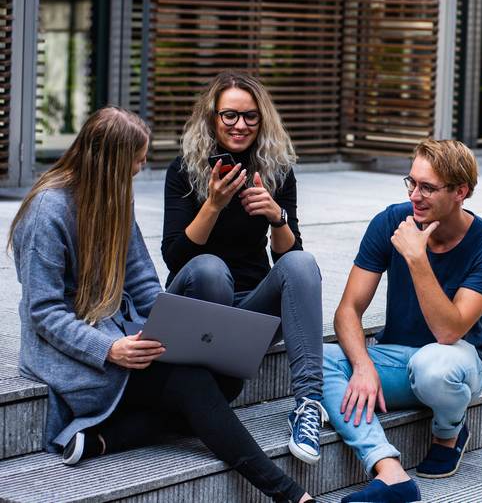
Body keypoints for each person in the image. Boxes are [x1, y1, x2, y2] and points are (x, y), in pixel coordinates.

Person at [9, 107, 315, 503]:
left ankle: (108, 438)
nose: (139, 169)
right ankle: (288, 493)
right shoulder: (47, 211)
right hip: (75, 352)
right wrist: (110, 349)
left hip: (123, 335)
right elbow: (44, 312)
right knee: (194, 384)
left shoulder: (114, 198)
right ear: (110, 161)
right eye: (136, 161)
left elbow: (142, 282)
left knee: (226, 380)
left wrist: (171, 328)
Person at [322, 139, 482, 502]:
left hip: (456, 361)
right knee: (318, 359)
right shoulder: (391, 221)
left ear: (461, 191)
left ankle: (449, 431)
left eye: (427, 187)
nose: (415, 195)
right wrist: (362, 366)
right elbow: (348, 309)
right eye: (411, 182)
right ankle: (389, 471)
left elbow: (449, 330)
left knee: (433, 365)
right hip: (395, 358)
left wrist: (417, 258)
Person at [161, 70, 326, 465]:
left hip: (250, 311)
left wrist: (277, 217)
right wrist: (213, 204)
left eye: (250, 116)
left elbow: (289, 262)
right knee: (210, 269)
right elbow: (175, 258)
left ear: (262, 119)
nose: (240, 125)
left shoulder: (276, 170)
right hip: (197, 303)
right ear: (212, 118)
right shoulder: (184, 170)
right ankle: (206, 392)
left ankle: (308, 406)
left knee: (303, 263)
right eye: (229, 115)